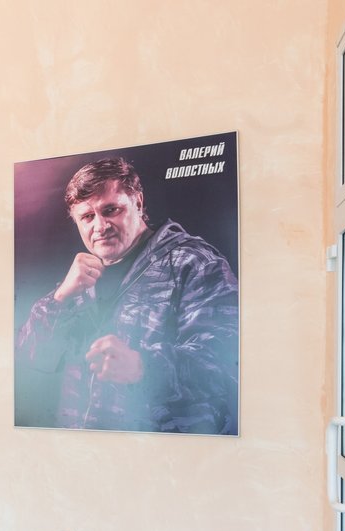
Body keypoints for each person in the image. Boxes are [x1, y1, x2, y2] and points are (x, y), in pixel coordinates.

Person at [17, 157, 239, 434]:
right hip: (80, 451)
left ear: (139, 203)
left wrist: (143, 367)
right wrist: (59, 299)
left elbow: (228, 364)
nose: (100, 226)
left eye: (111, 210)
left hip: (165, 453)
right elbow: (30, 358)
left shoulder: (194, 264)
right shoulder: (78, 280)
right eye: (87, 217)